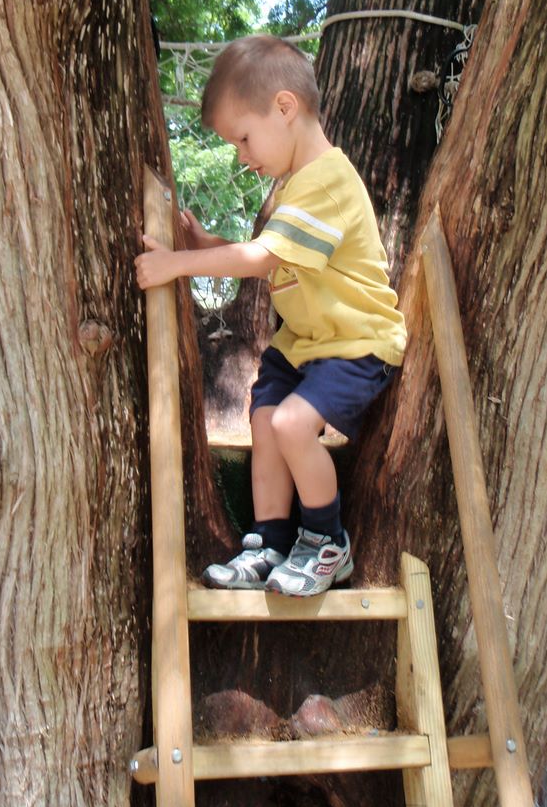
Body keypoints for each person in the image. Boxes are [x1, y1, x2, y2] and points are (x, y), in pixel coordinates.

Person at [135, 35, 406, 597]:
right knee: (264, 418)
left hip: (355, 341)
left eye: (243, 138)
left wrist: (177, 264)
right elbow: (273, 256)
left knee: (290, 424)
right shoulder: (294, 186)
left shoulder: (327, 180)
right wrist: (212, 244)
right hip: (306, 343)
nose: (241, 155)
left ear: (285, 107)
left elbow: (262, 259)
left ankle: (327, 543)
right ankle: (270, 543)